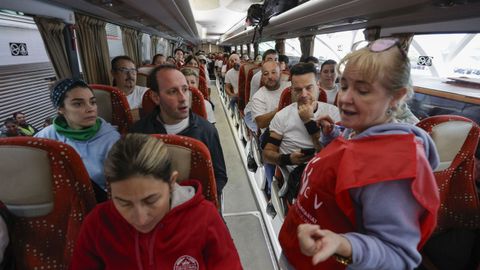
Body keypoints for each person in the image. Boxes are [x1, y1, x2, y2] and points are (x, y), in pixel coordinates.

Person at [279, 38, 440, 270]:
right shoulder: (360, 130)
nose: (344, 98)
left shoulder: (392, 166)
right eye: (343, 86)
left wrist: (344, 245)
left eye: (362, 91)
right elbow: (353, 162)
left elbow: (399, 256)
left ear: (396, 97)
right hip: (298, 253)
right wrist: (333, 136)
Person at [70, 134, 242, 269]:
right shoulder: (97, 224)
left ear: (172, 182)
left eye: (151, 200)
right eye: (124, 203)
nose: (140, 218)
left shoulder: (205, 217)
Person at [130, 65, 228, 197]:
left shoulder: (206, 131)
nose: (183, 98)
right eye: (172, 92)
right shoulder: (138, 134)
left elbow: (219, 176)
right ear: (155, 97)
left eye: (185, 89)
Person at [35, 78, 120, 202]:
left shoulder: (112, 139)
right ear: (60, 108)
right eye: (78, 104)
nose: (90, 108)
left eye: (93, 102)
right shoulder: (46, 136)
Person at [111, 55, 148, 122]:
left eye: (133, 70)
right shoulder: (105, 96)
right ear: (113, 73)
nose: (130, 75)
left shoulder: (145, 93)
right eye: (124, 70)